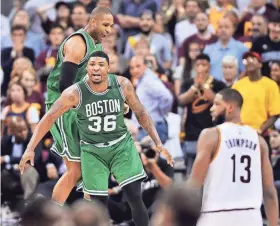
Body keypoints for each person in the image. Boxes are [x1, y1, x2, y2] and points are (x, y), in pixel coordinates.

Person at [19, 51, 174, 226]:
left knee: (135, 198)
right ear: (87, 68)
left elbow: (141, 113)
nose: (96, 68)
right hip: (93, 150)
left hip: (120, 146)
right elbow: (48, 118)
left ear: (109, 68)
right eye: (92, 64)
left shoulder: (122, 85)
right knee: (98, 206)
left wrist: (158, 143)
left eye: (101, 64)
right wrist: (30, 148)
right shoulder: (74, 93)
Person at [20, 7, 114, 207]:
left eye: (112, 26)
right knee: (75, 170)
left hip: (77, 105)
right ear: (94, 22)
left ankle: (88, 213)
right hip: (63, 107)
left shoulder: (94, 45)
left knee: (91, 165)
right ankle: (51, 214)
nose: (109, 30)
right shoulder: (77, 44)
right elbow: (65, 87)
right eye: (106, 25)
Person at [187, 88, 279, 226]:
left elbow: (194, 185)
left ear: (230, 107)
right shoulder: (259, 141)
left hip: (216, 216)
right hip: (251, 217)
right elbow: (269, 191)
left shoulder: (211, 135)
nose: (212, 108)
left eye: (217, 104)